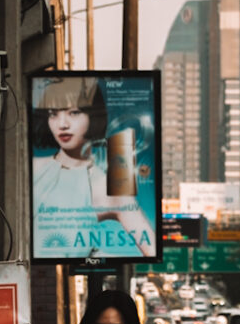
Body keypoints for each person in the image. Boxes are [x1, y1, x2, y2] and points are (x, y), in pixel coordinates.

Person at [31, 76, 155, 260]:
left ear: (93, 116)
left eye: (74, 112)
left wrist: (97, 254)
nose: (62, 124)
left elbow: (152, 249)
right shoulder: (34, 167)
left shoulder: (103, 186)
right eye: (53, 114)